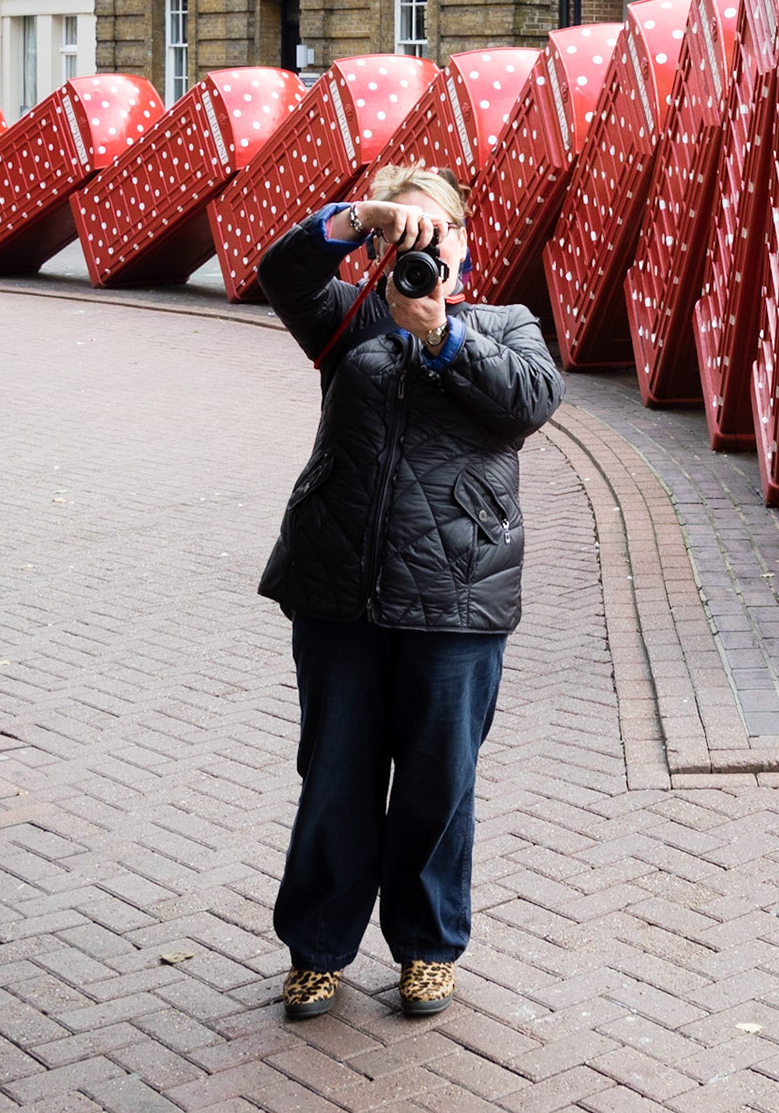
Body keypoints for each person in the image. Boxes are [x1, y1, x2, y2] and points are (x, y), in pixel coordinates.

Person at [256, 163, 563, 1022]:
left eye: (439, 228)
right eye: (406, 230)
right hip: (339, 590)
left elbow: (531, 402)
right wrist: (357, 217)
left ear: (466, 241)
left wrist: (441, 337)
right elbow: (280, 272)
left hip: (458, 597)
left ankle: (428, 950)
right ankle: (317, 951)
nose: (424, 244)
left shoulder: (505, 324)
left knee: (438, 783)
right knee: (334, 778)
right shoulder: (348, 316)